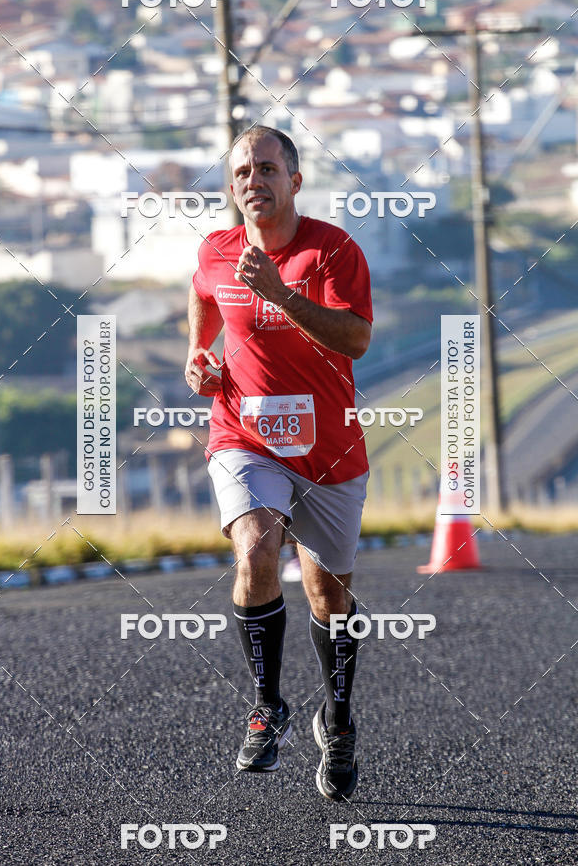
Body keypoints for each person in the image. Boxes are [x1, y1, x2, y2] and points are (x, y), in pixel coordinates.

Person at [185, 126, 372, 801]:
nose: (252, 182)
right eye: (241, 172)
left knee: (330, 596)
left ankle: (339, 717)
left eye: (267, 169)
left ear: (295, 180)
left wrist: (283, 295)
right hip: (245, 437)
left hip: (328, 452)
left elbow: (355, 339)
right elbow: (205, 299)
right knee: (258, 548)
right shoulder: (216, 250)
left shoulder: (333, 249)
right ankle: (268, 707)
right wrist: (198, 357)